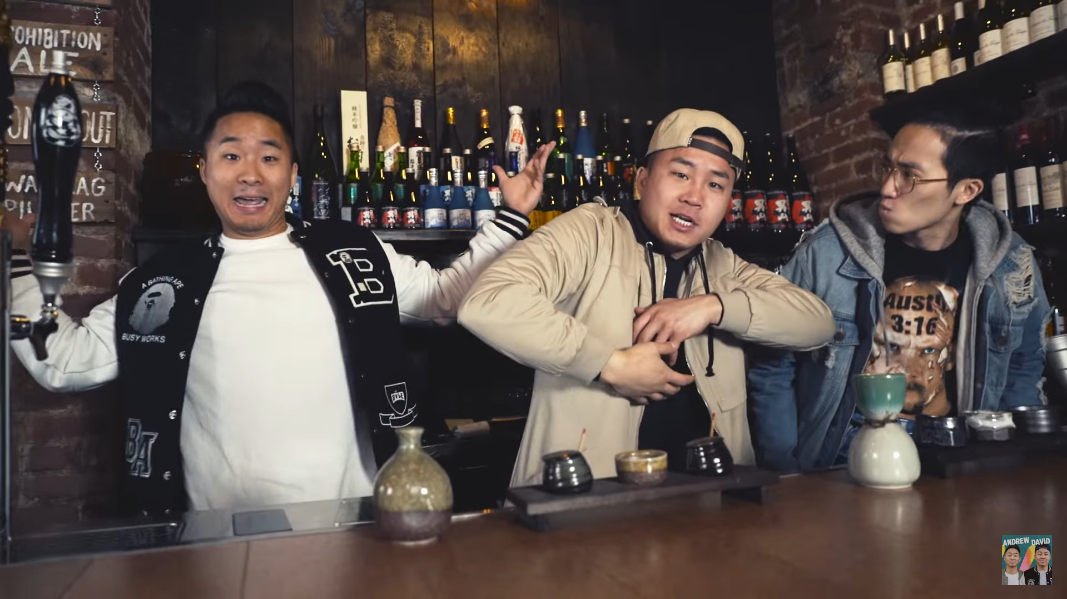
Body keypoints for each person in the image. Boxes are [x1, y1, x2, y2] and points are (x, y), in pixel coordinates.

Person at [3, 81, 550, 515]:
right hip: (220, 543)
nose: (250, 175)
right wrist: (16, 264)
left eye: (268, 158)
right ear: (204, 171)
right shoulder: (163, 283)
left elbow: (444, 298)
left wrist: (509, 219)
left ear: (292, 174)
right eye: (231, 156)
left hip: (359, 526)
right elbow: (64, 363)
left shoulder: (354, 253)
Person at [457, 108, 835, 485]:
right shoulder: (591, 232)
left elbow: (817, 322)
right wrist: (609, 364)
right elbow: (488, 301)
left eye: (715, 185)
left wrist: (712, 307)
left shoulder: (724, 265)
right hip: (586, 502)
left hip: (715, 503)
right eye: (681, 174)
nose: (695, 197)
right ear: (641, 180)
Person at [748, 112, 1050, 473]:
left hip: (960, 454)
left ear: (966, 190)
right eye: (888, 168)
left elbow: (1023, 364)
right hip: (844, 458)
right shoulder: (826, 253)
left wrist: (1011, 462)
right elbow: (773, 364)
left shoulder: (1011, 264)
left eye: (909, 176)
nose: (888, 188)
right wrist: (785, 469)